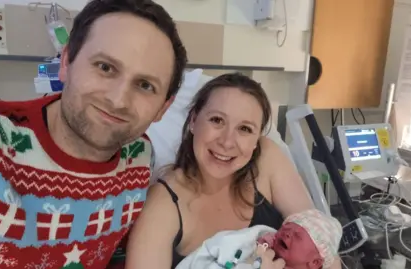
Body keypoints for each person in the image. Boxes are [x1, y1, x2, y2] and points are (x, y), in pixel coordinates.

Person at [0, 0, 187, 268]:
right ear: (66, 61)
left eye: (145, 85)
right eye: (105, 67)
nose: (118, 100)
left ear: (163, 108)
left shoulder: (139, 158)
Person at [125, 73, 342, 269]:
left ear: (257, 140)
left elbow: (322, 245)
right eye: (217, 120)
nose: (227, 142)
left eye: (245, 129)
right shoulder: (162, 207)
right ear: (193, 121)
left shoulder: (266, 160)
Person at [175, 209, 342, 269]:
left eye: (297, 236)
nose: (287, 234)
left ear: (314, 263)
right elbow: (224, 251)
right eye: (286, 228)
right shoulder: (256, 247)